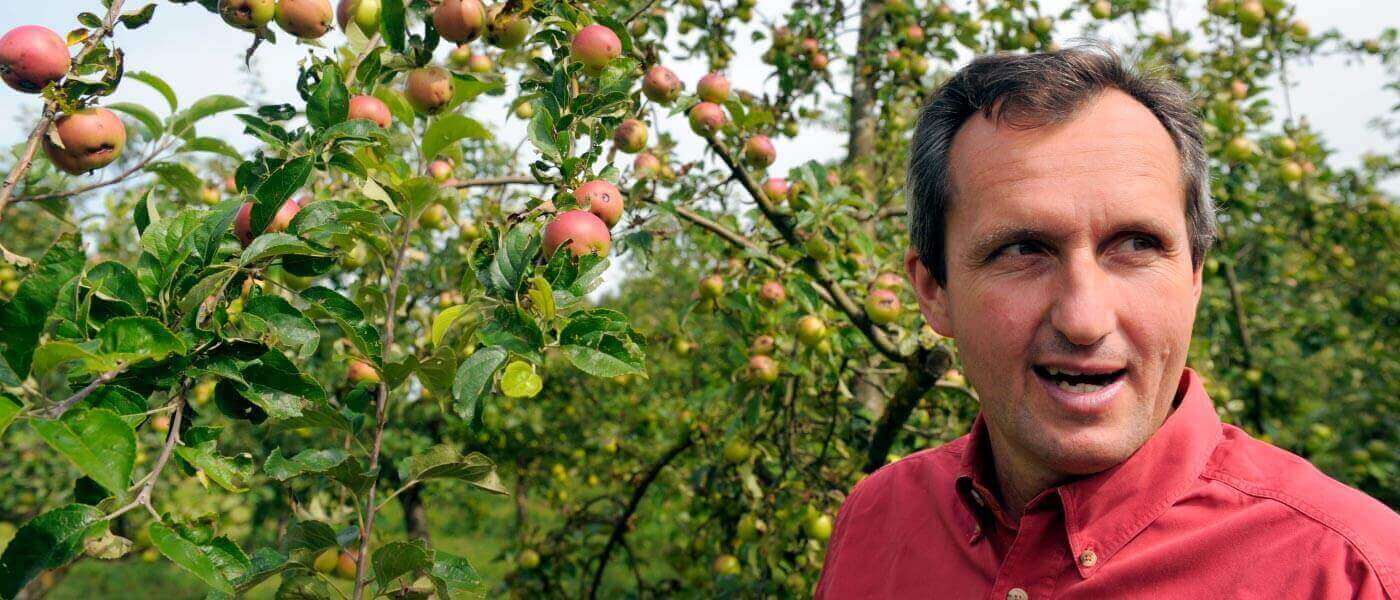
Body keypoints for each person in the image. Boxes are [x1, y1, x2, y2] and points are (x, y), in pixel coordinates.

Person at [815, 42, 1399, 599]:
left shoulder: (1352, 572)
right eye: (1023, 250)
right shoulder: (876, 522)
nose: (1084, 320)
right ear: (933, 289)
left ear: (1194, 276)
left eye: (1136, 245)